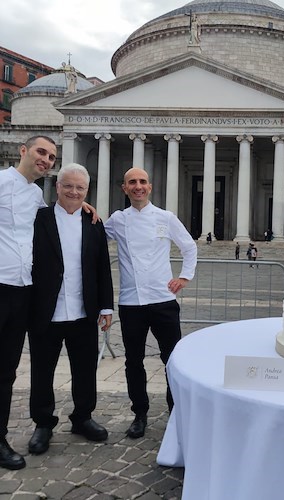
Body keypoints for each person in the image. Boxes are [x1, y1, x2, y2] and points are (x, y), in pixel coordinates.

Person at [27, 163, 113, 455]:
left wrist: (106, 307)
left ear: (87, 191)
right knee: (42, 371)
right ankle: (43, 423)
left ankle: (83, 417)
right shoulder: (38, 218)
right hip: (45, 310)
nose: (74, 192)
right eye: (68, 186)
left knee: (85, 369)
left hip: (82, 311)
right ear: (58, 186)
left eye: (80, 188)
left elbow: (103, 267)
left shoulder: (94, 223)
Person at [104, 167, 197, 439]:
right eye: (132, 182)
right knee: (133, 361)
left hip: (163, 301)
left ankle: (175, 412)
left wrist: (184, 277)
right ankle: (140, 413)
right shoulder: (118, 220)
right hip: (132, 303)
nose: (138, 186)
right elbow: (93, 232)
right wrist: (85, 206)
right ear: (124, 188)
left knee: (172, 359)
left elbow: (189, 246)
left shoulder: (165, 217)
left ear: (150, 186)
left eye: (142, 181)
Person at [0, 135, 57, 469]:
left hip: (22, 291)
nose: (46, 160)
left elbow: (50, 225)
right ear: (23, 151)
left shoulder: (37, 194)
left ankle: (0, 437)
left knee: (6, 371)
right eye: (41, 152)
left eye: (51, 156)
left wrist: (84, 208)